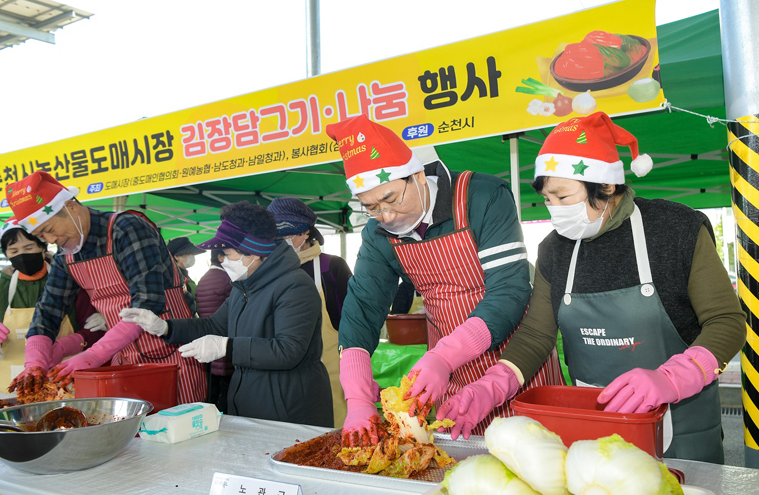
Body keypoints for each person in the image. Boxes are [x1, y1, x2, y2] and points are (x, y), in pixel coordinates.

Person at [440, 112, 745, 464]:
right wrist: (493, 384)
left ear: (607, 185)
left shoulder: (675, 229)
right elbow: (537, 335)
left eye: (563, 196)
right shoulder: (554, 250)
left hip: (680, 424)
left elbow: (727, 322)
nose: (554, 211)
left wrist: (675, 377)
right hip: (594, 423)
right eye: (547, 200)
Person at [325, 115, 564, 446]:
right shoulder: (378, 234)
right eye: (372, 208)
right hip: (447, 375)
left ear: (419, 176)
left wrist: (444, 356)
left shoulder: (482, 196)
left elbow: (510, 290)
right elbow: (363, 306)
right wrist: (358, 396)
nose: (387, 216)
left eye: (392, 199)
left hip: (517, 360)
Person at [122, 202, 334, 426]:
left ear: (254, 252)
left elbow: (288, 350)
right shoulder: (243, 287)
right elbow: (214, 326)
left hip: (289, 409)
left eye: (226, 253)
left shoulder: (294, 285)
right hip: (250, 404)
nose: (221, 260)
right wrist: (165, 327)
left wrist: (227, 347)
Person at [6, 171, 205, 403]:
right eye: (41, 236)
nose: (50, 240)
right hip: (123, 355)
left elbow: (148, 301)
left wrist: (94, 354)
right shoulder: (65, 256)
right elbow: (48, 310)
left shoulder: (127, 228)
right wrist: (35, 363)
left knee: (179, 427)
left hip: (173, 352)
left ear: (71, 206)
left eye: (49, 229)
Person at [268, 197, 352, 428]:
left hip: (329, 372)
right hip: (284, 373)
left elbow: (352, 322)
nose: (277, 242)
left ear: (304, 233)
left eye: (283, 236)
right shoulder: (270, 271)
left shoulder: (331, 267)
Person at [0, 219, 106, 391]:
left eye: (28, 248)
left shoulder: (65, 282)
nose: (22, 255)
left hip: (65, 377)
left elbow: (95, 332)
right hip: (12, 384)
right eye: (14, 251)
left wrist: (66, 345)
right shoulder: (2, 286)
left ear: (43, 247)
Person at [195, 249, 233, 412]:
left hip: (208, 340)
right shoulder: (226, 279)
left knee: (212, 391)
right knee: (226, 391)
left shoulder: (203, 279)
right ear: (220, 257)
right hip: (223, 341)